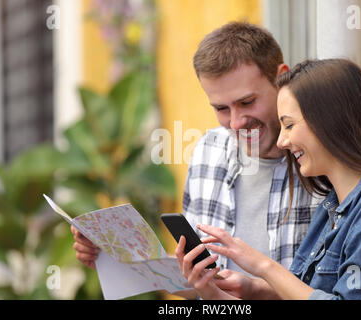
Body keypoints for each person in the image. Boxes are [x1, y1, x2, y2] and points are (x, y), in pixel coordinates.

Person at [71, 22, 323, 299]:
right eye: (221, 108)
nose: (237, 122)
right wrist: (111, 257)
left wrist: (255, 291)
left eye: (247, 102)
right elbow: (197, 283)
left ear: (281, 79)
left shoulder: (322, 158)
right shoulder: (208, 151)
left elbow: (333, 292)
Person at [178, 58, 361, 299]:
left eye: (289, 125)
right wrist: (225, 293)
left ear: (330, 121)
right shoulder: (330, 207)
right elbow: (301, 294)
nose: (281, 141)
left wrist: (262, 266)